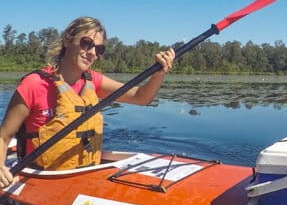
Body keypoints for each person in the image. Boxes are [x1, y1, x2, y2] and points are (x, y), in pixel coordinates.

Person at [0, 17, 174, 187]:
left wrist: (159, 73)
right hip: (42, 179)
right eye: (86, 43)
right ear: (67, 40)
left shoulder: (95, 81)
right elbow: (4, 136)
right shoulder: (34, 84)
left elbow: (141, 97)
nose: (92, 53)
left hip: (84, 176)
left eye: (98, 49)